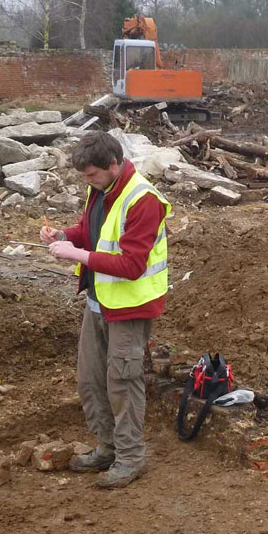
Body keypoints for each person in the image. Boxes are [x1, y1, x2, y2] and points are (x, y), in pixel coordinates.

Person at [40, 131, 170, 488]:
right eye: (85, 176)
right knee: (92, 379)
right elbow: (89, 230)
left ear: (114, 164)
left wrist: (77, 255)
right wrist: (65, 237)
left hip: (130, 306)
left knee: (122, 383)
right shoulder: (99, 189)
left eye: (93, 174)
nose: (88, 181)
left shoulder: (143, 199)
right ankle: (107, 448)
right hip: (99, 302)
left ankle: (130, 457)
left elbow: (131, 265)